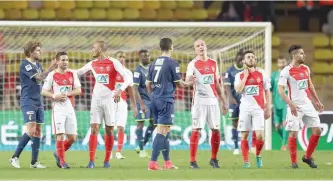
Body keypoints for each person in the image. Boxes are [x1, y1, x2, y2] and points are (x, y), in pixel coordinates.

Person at [76, 41, 131, 168]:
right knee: (94, 128)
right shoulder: (92, 63)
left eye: (93, 48)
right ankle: (91, 161)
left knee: (110, 129)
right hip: (96, 100)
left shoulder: (113, 62)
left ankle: (106, 161)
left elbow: (127, 78)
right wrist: (61, 70)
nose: (91, 50)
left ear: (100, 49)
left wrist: (120, 89)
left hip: (110, 100)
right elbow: (78, 72)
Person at [146, 38, 194, 170]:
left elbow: (147, 84)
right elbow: (180, 83)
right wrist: (189, 82)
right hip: (166, 99)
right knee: (162, 131)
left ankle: (167, 162)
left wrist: (154, 96)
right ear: (171, 47)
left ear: (160, 48)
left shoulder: (154, 63)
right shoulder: (172, 63)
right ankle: (152, 162)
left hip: (155, 99)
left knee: (165, 131)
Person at [10, 40, 57, 169]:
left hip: (38, 101)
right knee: (31, 130)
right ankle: (14, 157)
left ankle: (34, 162)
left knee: (38, 131)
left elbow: (43, 80)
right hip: (28, 101)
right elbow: (39, 78)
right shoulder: (25, 65)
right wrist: (51, 68)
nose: (40, 52)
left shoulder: (38, 64)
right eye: (37, 50)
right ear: (30, 52)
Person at [278, 45, 324, 169]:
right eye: (301, 54)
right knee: (293, 133)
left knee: (317, 130)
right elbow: (280, 90)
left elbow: (310, 85)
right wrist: (290, 103)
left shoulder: (305, 68)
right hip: (295, 106)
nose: (304, 55)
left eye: (304, 53)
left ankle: (307, 157)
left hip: (307, 104)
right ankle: (294, 163)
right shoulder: (286, 71)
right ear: (294, 56)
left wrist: (317, 101)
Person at [186, 39, 228, 169]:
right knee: (197, 129)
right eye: (197, 46)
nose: (200, 47)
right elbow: (187, 78)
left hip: (213, 101)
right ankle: (193, 161)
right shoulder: (192, 64)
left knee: (216, 130)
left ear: (206, 46)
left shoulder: (213, 63)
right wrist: (189, 79)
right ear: (195, 50)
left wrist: (223, 101)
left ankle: (214, 159)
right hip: (199, 101)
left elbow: (217, 83)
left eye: (202, 45)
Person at [41, 51, 81, 169]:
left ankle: (58, 153)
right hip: (58, 109)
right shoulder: (52, 75)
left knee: (72, 138)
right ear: (57, 61)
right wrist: (54, 96)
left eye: (67, 60)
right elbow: (43, 91)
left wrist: (67, 93)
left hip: (69, 108)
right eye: (63, 60)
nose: (65, 62)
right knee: (60, 135)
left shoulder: (72, 74)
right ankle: (62, 162)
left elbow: (79, 90)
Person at [234, 50, 271, 168]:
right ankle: (246, 161)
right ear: (244, 61)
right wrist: (245, 76)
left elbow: (267, 91)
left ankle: (258, 155)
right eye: (248, 57)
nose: (251, 59)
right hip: (245, 109)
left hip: (258, 109)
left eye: (252, 57)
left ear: (255, 60)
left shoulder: (262, 74)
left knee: (260, 136)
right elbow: (238, 90)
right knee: (244, 135)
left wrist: (268, 108)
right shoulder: (239, 75)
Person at [113, 51, 138, 159]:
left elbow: (131, 90)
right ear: (116, 58)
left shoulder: (128, 73)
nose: (122, 58)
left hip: (122, 102)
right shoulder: (111, 71)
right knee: (109, 128)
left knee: (121, 127)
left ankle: (118, 151)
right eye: (120, 57)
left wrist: (134, 105)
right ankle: (108, 152)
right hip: (110, 102)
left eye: (124, 57)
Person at [133, 50, 155, 158]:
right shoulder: (138, 70)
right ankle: (141, 151)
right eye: (144, 56)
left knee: (154, 123)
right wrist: (141, 104)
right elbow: (134, 88)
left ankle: (142, 145)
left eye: (148, 55)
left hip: (152, 101)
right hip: (143, 101)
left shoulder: (152, 69)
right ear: (140, 57)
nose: (147, 57)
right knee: (140, 124)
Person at [224, 51, 244, 155]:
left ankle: (247, 146)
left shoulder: (247, 70)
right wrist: (230, 98)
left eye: (242, 58)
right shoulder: (230, 70)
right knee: (235, 123)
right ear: (236, 58)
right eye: (239, 57)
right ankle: (236, 146)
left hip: (245, 101)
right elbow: (227, 85)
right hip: (234, 101)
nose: (240, 59)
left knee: (246, 123)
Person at [271, 56, 288, 151]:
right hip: (276, 103)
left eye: (283, 62)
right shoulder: (274, 75)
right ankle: (284, 140)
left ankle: (284, 144)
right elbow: (269, 89)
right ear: (277, 64)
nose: (282, 64)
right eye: (280, 62)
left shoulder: (289, 74)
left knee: (285, 123)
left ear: (286, 63)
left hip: (286, 103)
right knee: (277, 126)